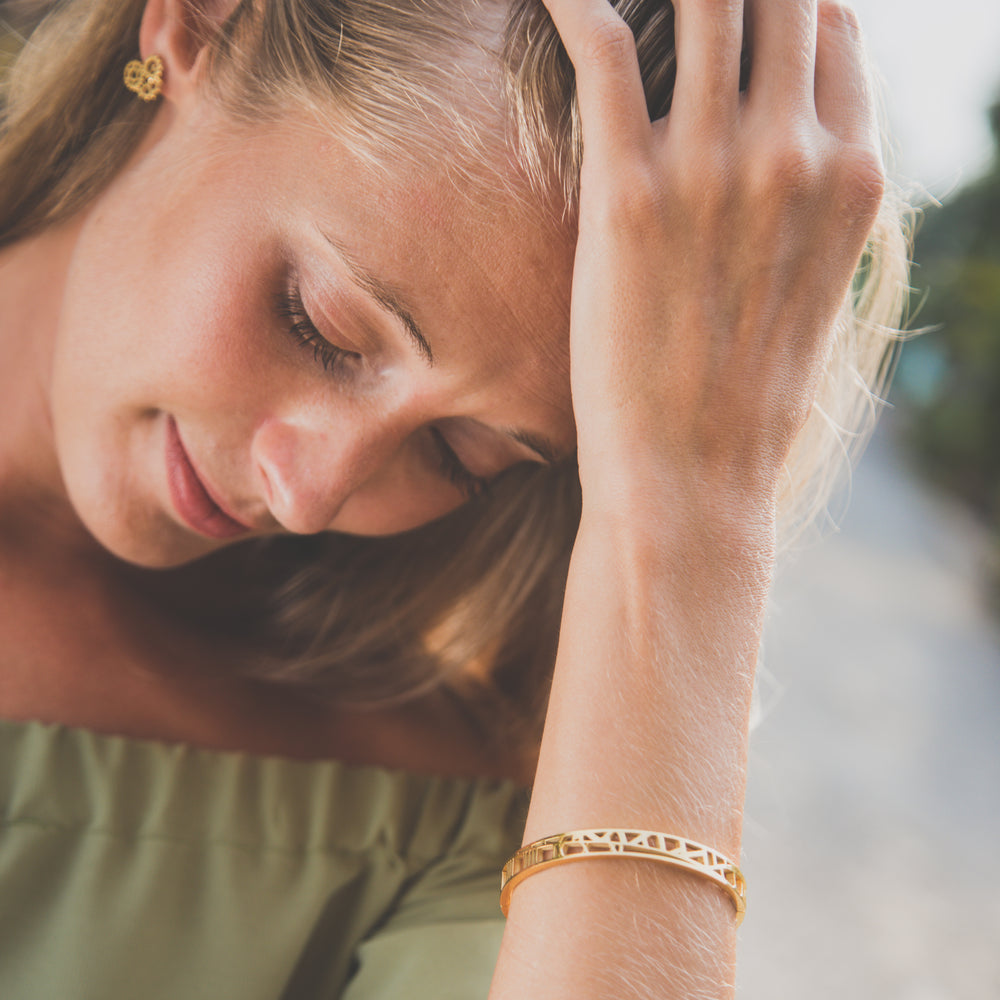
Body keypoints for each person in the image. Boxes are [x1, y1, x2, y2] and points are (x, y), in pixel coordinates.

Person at [0, 0, 910, 996]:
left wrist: (696, 507)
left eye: (458, 453)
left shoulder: (459, 831)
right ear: (203, 28)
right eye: (323, 326)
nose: (304, 494)